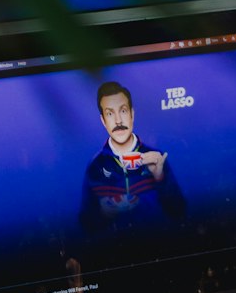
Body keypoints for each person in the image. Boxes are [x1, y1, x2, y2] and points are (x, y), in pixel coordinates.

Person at [77, 81, 187, 252]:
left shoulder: (155, 157)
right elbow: (86, 225)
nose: (118, 120)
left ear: (132, 114)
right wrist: (104, 214)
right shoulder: (95, 167)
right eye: (110, 113)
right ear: (103, 121)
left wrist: (159, 178)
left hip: (162, 251)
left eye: (123, 110)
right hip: (115, 258)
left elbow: (178, 211)